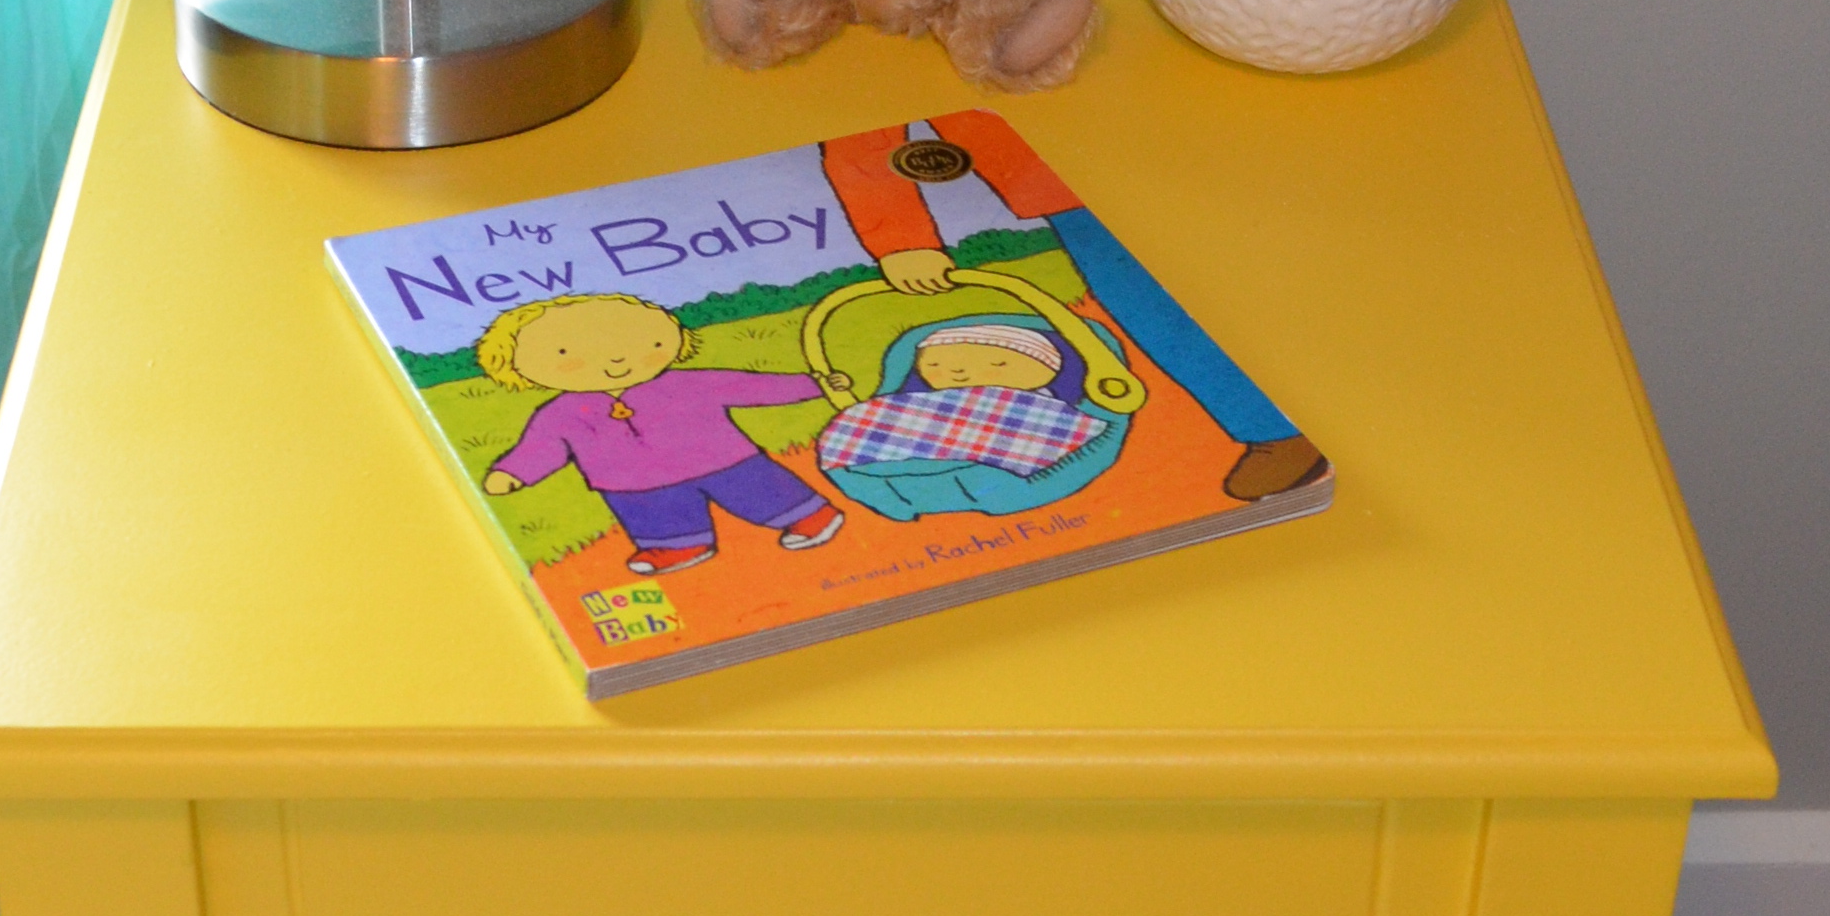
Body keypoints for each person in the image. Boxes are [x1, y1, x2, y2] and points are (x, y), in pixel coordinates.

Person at [821, 115, 1324, 500]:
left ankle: (1277, 427)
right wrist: (901, 238)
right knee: (1155, 307)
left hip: (1176, 138)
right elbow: (860, 138)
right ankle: (1272, 430)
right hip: (1059, 180)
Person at [477, 292, 844, 579]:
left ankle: (809, 516)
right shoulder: (560, 413)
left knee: (759, 490)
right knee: (657, 516)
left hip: (723, 459)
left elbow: (749, 387)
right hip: (632, 483)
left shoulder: (687, 383)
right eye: (564, 352)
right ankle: (676, 546)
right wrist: (513, 472)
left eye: (635, 339)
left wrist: (813, 385)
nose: (616, 358)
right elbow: (541, 446)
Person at [813, 313, 1123, 523]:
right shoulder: (920, 401)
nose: (958, 372)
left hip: (1007, 453)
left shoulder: (1041, 404)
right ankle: (881, 481)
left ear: (1050, 369)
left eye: (998, 362)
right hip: (910, 448)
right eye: (935, 364)